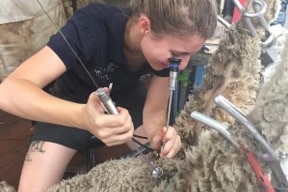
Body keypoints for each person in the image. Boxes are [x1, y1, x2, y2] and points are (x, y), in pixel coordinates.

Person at [0, 0, 217, 191]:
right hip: (70, 106)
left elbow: (155, 110)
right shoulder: (90, 26)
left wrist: (159, 136)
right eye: (177, 55)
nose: (181, 66)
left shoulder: (165, 55)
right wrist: (81, 117)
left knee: (170, 169)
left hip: (128, 104)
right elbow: (8, 92)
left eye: (190, 54)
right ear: (145, 26)